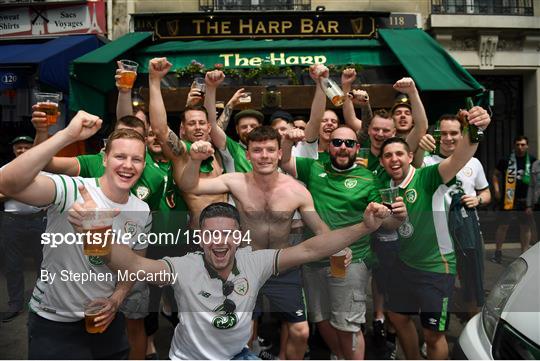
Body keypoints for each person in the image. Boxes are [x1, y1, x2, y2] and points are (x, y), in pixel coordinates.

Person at [88, 201, 390, 360]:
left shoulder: (253, 261)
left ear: (239, 236)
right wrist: (95, 232)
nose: (219, 242)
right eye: (211, 234)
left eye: (227, 234)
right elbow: (134, 264)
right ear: (200, 237)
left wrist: (364, 227)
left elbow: (310, 248)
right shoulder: (182, 266)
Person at [0, 112, 152, 359]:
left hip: (106, 320)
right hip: (54, 321)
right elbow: (7, 183)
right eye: (120, 156)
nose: (128, 165)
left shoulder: (142, 210)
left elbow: (133, 266)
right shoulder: (74, 189)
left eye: (136, 159)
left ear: (144, 166)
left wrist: (117, 299)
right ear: (104, 159)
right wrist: (67, 135)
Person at [178, 125, 331, 360]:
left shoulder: (297, 190)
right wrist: (194, 159)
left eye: (270, 150)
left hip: (282, 267)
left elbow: (319, 227)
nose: (264, 156)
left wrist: (339, 246)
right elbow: (190, 186)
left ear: (280, 153)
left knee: (300, 331)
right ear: (248, 154)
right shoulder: (235, 181)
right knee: (243, 333)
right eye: (257, 150)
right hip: (245, 267)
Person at [281, 125, 407, 359]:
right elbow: (285, 161)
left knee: (347, 324)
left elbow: (384, 222)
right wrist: (287, 140)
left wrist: (397, 217)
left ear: (357, 148)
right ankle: (342, 356)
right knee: (321, 318)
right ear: (329, 145)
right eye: (337, 142)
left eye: (349, 143)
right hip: (314, 258)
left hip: (348, 261)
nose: (342, 147)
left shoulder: (368, 178)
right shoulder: (314, 166)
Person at [378, 104, 491, 360]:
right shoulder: (383, 186)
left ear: (410, 157)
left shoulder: (428, 176)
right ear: (382, 161)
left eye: (399, 153)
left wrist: (475, 128)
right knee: (396, 316)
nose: (394, 159)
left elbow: (462, 157)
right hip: (404, 265)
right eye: (388, 155)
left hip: (435, 268)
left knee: (433, 334)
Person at [417, 113, 491, 319]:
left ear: (462, 134)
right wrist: (419, 147)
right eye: (444, 133)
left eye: (454, 133)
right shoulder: (426, 161)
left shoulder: (474, 162)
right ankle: (436, 329)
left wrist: (478, 200)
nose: (449, 138)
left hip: (468, 231)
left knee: (471, 281)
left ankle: (471, 328)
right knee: (437, 284)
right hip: (436, 234)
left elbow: (486, 192)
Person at [148, 57, 226, 229]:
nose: (197, 127)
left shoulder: (217, 150)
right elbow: (160, 129)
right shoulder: (182, 152)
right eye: (191, 123)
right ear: (183, 128)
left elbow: (214, 120)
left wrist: (211, 88)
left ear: (208, 127)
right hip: (200, 236)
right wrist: (154, 80)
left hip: (229, 231)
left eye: (201, 123)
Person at [0, 136, 45, 323]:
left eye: (27, 147)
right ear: (14, 150)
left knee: (44, 264)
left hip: (38, 220)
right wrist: (19, 189)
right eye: (19, 147)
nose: (23, 151)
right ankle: (15, 305)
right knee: (12, 265)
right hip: (12, 222)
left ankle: (43, 303)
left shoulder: (41, 170)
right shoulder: (4, 170)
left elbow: (48, 193)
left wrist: (12, 189)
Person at [492, 135, 536, 262]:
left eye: (523, 144)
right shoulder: (506, 160)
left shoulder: (533, 161)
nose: (520, 147)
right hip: (508, 199)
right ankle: (498, 252)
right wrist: (496, 190)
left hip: (525, 200)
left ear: (527, 146)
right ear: (514, 145)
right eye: (517, 144)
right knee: (503, 226)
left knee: (525, 227)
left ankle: (524, 255)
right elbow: (495, 174)